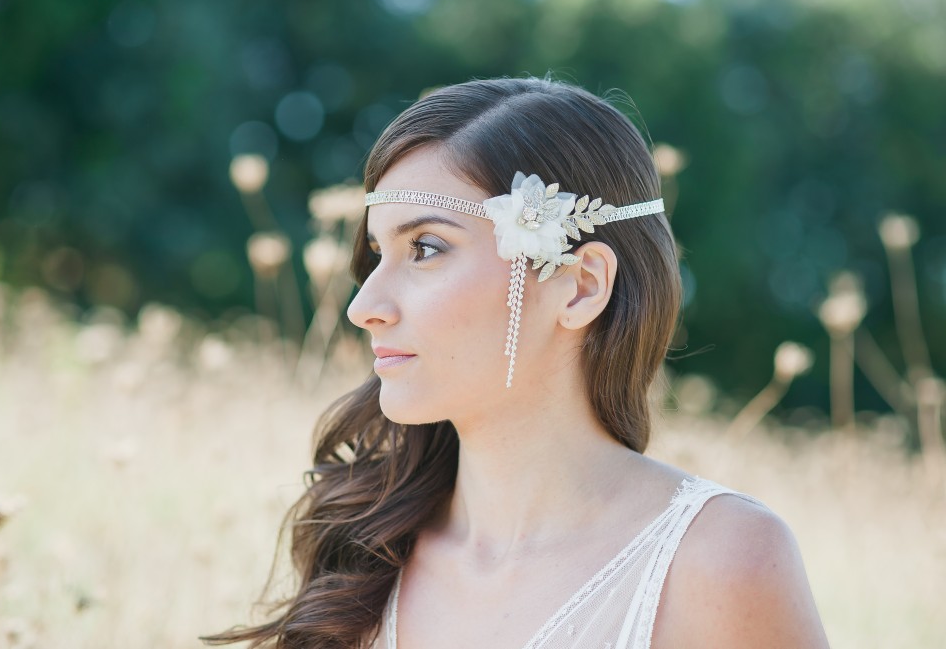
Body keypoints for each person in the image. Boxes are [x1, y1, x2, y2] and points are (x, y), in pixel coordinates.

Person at [203, 77, 830, 648]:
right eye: (376, 253)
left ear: (579, 286)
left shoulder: (720, 562)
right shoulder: (362, 554)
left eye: (425, 248)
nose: (364, 306)